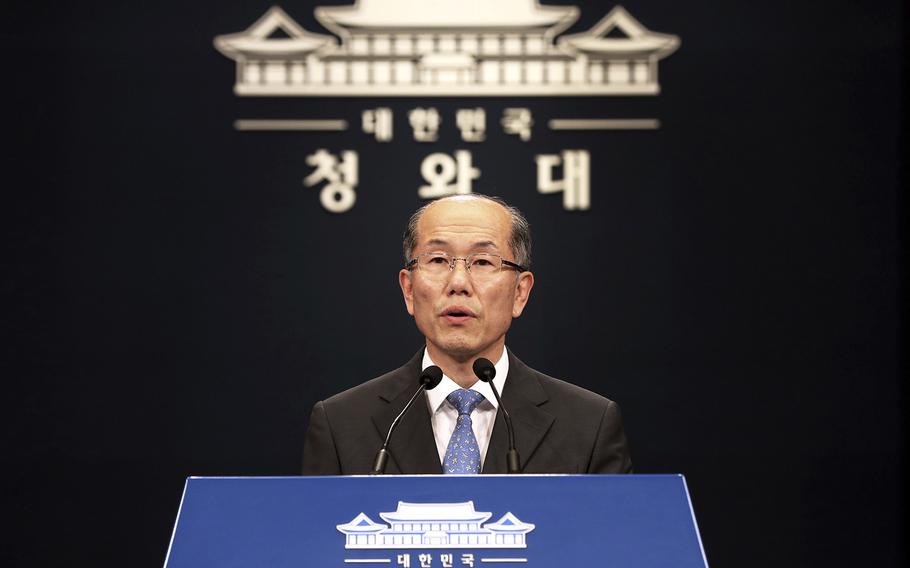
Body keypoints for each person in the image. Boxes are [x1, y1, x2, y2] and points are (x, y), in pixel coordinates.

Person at [303, 194, 632, 474]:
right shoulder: (341, 424)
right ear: (408, 289)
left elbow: (613, 544)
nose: (458, 283)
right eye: (437, 259)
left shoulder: (588, 425)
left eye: (483, 262)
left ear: (520, 292)